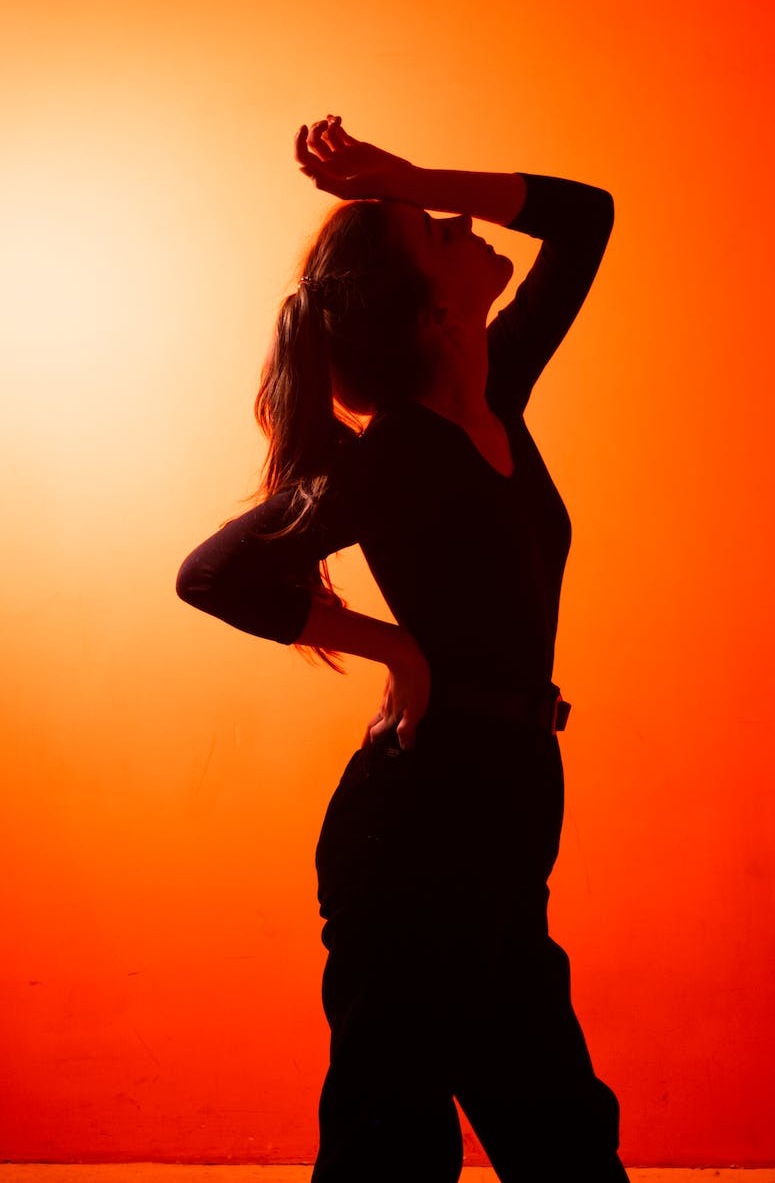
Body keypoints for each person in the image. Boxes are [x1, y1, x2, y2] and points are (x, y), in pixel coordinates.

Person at [176, 115, 627, 1183]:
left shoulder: (496, 389)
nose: (460, 220)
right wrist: (392, 646)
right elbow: (212, 572)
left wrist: (409, 176)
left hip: (508, 801)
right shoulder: (391, 462)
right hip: (418, 830)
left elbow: (587, 217)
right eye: (437, 229)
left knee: (558, 1129)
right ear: (431, 306)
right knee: (396, 1144)